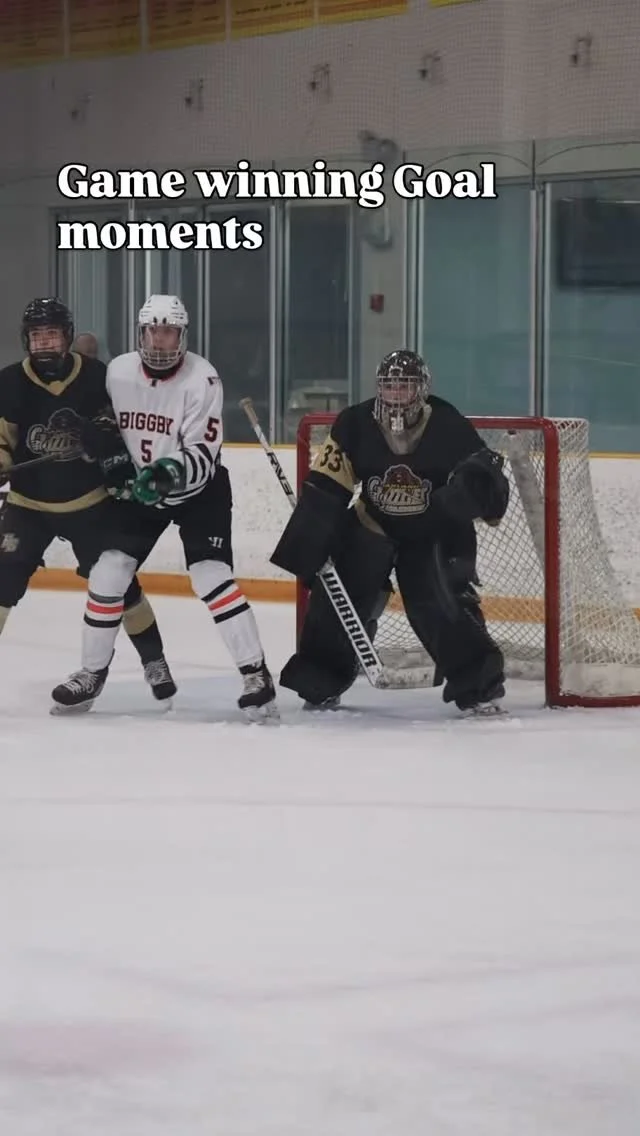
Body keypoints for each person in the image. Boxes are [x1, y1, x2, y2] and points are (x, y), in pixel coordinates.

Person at [50, 294, 278, 722]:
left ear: (182, 335)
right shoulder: (119, 372)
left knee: (211, 576)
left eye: (168, 331)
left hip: (200, 492)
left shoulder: (202, 378)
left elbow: (204, 452)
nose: (159, 340)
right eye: (153, 331)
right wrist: (104, 442)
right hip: (143, 491)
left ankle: (256, 674)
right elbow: (108, 420)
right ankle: (91, 673)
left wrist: (167, 472)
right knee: (108, 571)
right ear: (141, 333)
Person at [270, 349, 510, 716]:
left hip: (431, 529)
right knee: (336, 596)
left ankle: (479, 686)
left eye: (405, 386)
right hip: (373, 523)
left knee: (440, 601)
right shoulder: (354, 422)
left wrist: (470, 490)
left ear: (421, 389)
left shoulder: (447, 422)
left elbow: (480, 470)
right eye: (389, 386)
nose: (396, 394)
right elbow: (328, 483)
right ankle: (320, 681)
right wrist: (310, 537)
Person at [0, 297, 176, 708]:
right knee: (2, 584)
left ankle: (155, 661)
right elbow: (2, 439)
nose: (45, 343)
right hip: (28, 505)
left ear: (67, 336)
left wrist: (105, 435)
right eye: (37, 336)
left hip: (90, 503)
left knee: (120, 585)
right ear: (26, 340)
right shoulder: (9, 382)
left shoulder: (98, 375)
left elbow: (123, 425)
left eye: (52, 334)